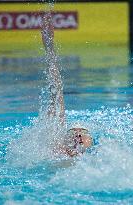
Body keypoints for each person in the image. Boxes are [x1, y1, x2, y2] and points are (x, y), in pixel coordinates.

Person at [41, 11, 93, 157]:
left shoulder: (104, 160)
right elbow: (56, 91)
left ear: (91, 141)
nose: (77, 135)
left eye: (83, 132)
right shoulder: (56, 151)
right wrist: (49, 46)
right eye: (72, 132)